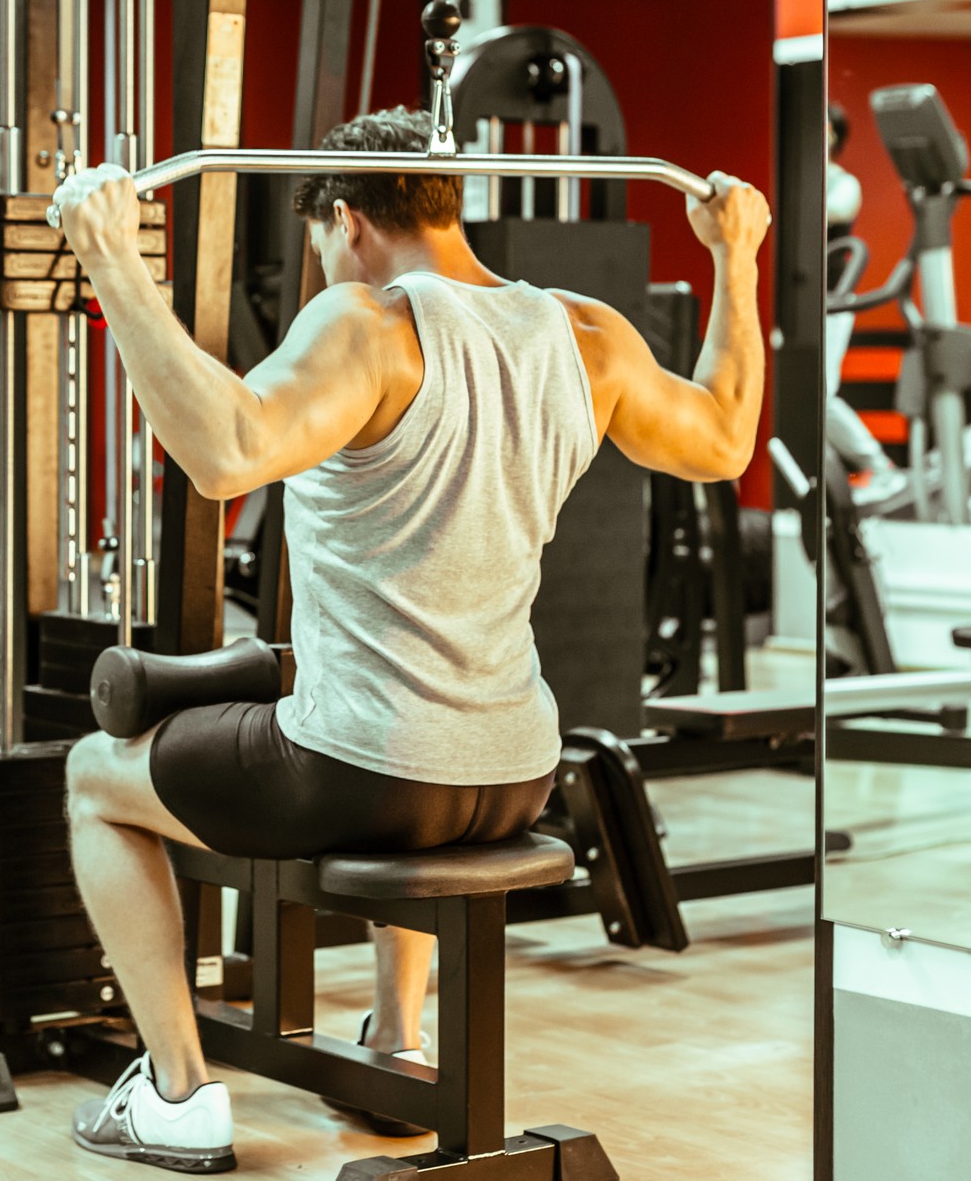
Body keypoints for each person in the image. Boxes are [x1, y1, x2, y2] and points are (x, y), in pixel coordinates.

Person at [52, 108, 768, 1174]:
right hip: (519, 767)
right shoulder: (581, 332)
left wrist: (113, 259)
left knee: (94, 776)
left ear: (345, 220)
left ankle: (175, 1092)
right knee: (397, 722)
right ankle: (394, 1035)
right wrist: (735, 262)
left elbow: (227, 450)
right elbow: (719, 437)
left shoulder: (366, 322)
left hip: (360, 771)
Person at [823, 103, 904, 496]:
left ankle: (878, 464)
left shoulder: (843, 182)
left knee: (819, 394)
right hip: (795, 298)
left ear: (833, 135)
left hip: (833, 301)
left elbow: (834, 209)